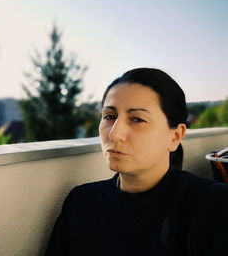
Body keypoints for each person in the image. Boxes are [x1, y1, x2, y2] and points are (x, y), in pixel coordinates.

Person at [45, 68, 228, 256]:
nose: (114, 134)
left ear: (175, 136)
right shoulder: (81, 203)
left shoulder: (215, 205)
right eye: (109, 116)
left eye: (137, 119)